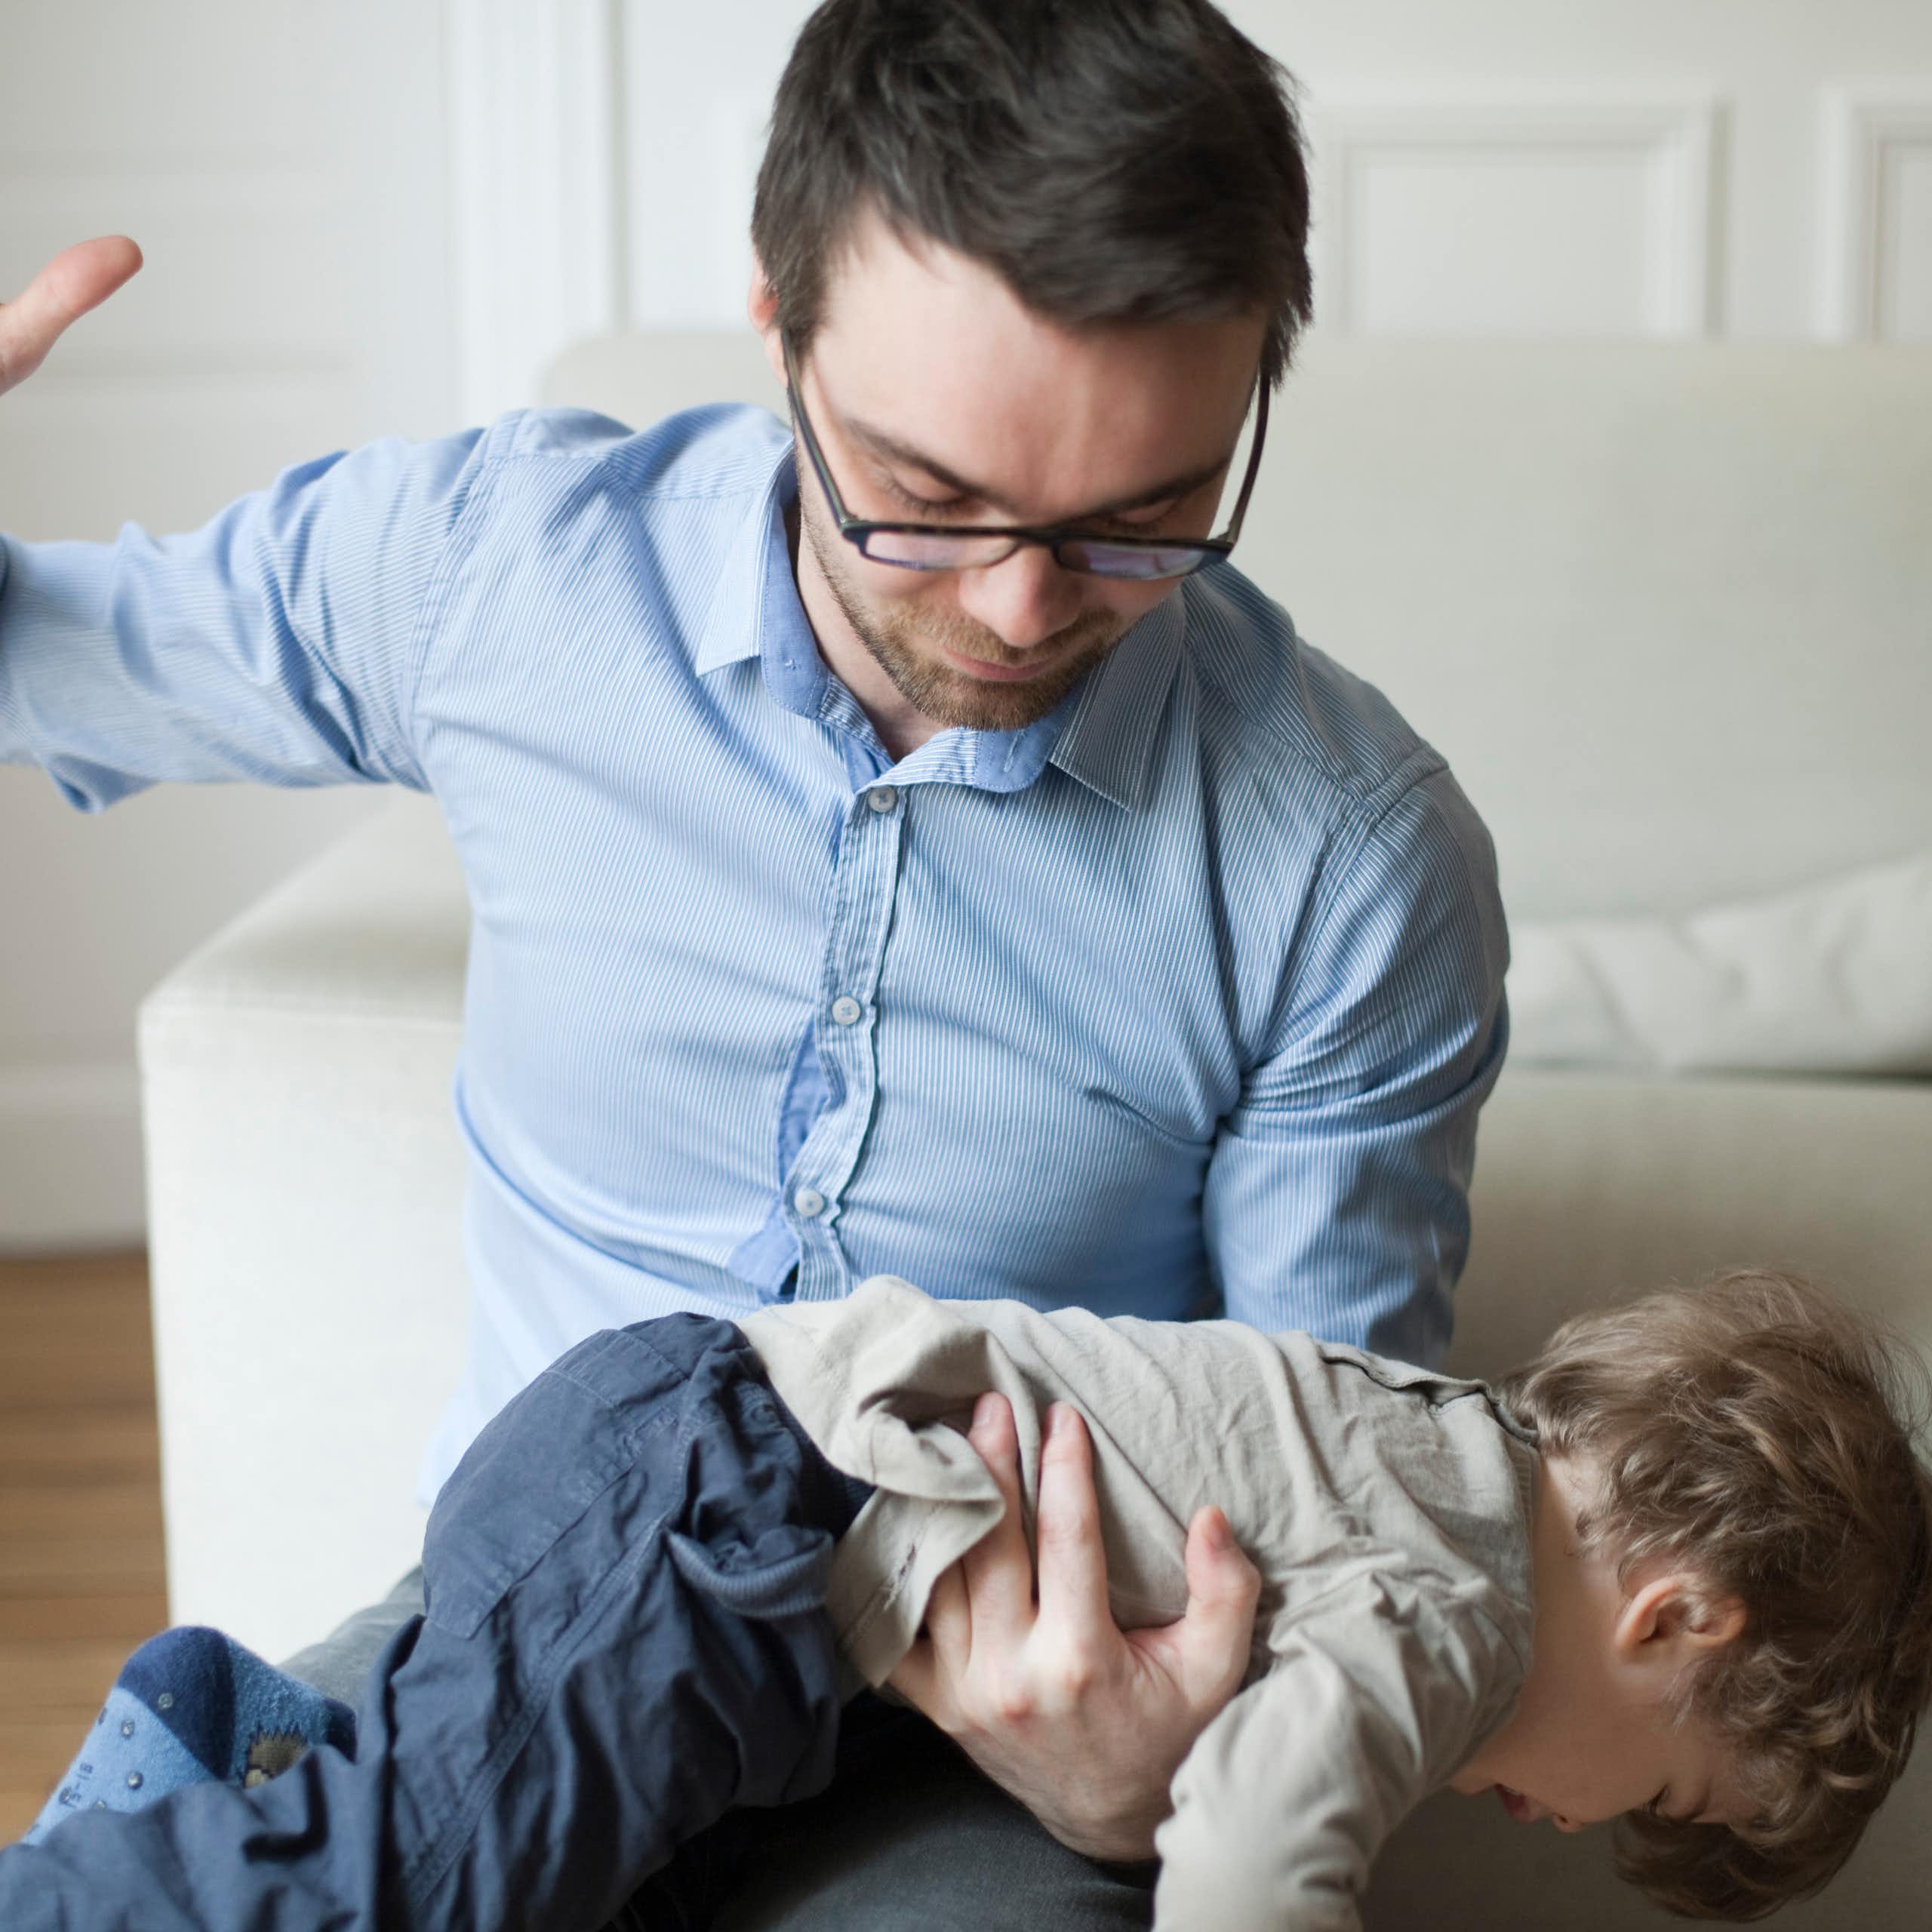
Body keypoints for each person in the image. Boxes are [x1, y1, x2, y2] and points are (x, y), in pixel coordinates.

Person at [0, 3, 1508, 1922]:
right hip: (525, 1628)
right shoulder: (501, 570)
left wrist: (1151, 1777)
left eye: (1139, 520)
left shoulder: (1354, 865)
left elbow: (1332, 1497)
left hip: (981, 1756)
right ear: (778, 320)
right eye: (928, 496)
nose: (1019, 607)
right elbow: (53, 660)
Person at [11, 1269, 1931, 1930]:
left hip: (722, 1567)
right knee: (415, 1888)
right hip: (715, 1514)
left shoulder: (1439, 1449)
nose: (1566, 1820)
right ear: (1679, 1620)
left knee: (570, 1891)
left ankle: (235, 1749)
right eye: (1663, 1800)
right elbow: (1264, 1844)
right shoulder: (1457, 1598)